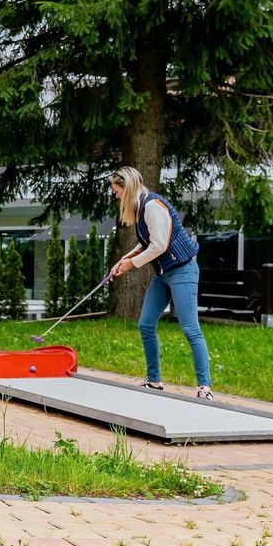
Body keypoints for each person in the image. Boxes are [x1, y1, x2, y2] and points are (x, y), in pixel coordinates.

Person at [109, 166, 213, 400]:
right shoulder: (140, 208)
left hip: (182, 271)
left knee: (190, 329)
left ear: (128, 187)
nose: (115, 195)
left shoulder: (153, 207)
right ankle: (154, 381)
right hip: (163, 274)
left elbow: (159, 246)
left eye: (117, 191)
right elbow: (147, 241)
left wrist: (131, 264)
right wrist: (124, 258)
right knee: (146, 324)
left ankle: (205, 387)